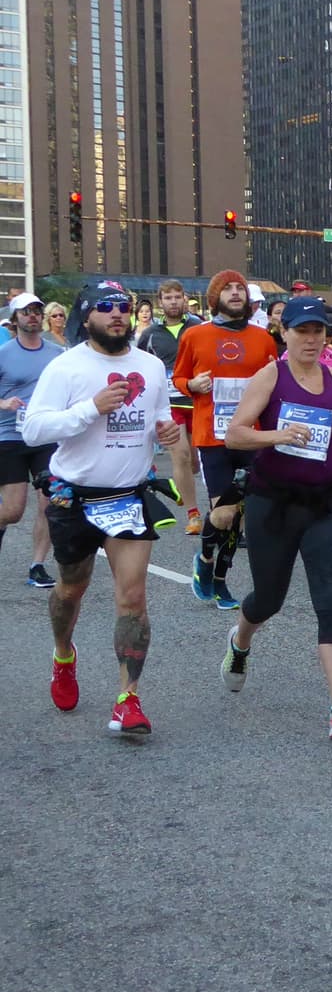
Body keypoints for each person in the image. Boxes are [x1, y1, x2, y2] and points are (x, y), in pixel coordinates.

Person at [220, 295, 332, 739]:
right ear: (284, 333)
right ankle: (240, 640)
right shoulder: (271, 376)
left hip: (327, 502)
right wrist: (277, 434)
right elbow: (235, 435)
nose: (311, 339)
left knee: (331, 599)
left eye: (318, 331)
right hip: (274, 503)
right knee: (269, 599)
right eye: (302, 330)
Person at [23, 280, 181, 734]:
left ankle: (127, 699)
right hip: (74, 497)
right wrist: (90, 409)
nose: (117, 314)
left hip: (128, 496)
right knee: (71, 588)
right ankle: (63, 655)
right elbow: (34, 429)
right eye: (106, 307)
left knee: (132, 597)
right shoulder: (66, 366)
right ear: (87, 315)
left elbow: (158, 417)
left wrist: (165, 431)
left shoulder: (150, 366)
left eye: (124, 307)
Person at [171, 270, 278, 610]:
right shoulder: (195, 335)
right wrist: (192, 386)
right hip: (213, 435)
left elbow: (275, 381)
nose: (235, 293)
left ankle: (220, 578)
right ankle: (205, 558)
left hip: (251, 434)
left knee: (240, 512)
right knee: (222, 514)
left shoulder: (263, 338)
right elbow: (178, 377)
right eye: (227, 289)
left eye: (239, 288)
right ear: (215, 298)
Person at [0, 293, 63, 587]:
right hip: (9, 436)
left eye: (37, 310)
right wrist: (4, 404)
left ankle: (37, 566)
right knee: (13, 511)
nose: (33, 315)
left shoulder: (57, 354)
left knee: (49, 503)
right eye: (26, 311)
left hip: (45, 436)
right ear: (15, 319)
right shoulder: (3, 353)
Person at [136, 279, 204, 534]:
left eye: (177, 297)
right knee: (181, 454)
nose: (173, 302)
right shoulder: (150, 334)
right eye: (168, 298)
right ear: (160, 302)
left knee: (195, 462)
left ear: (184, 299)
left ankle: (186, 487)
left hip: (198, 401)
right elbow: (139, 366)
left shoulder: (198, 327)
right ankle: (193, 514)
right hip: (170, 404)